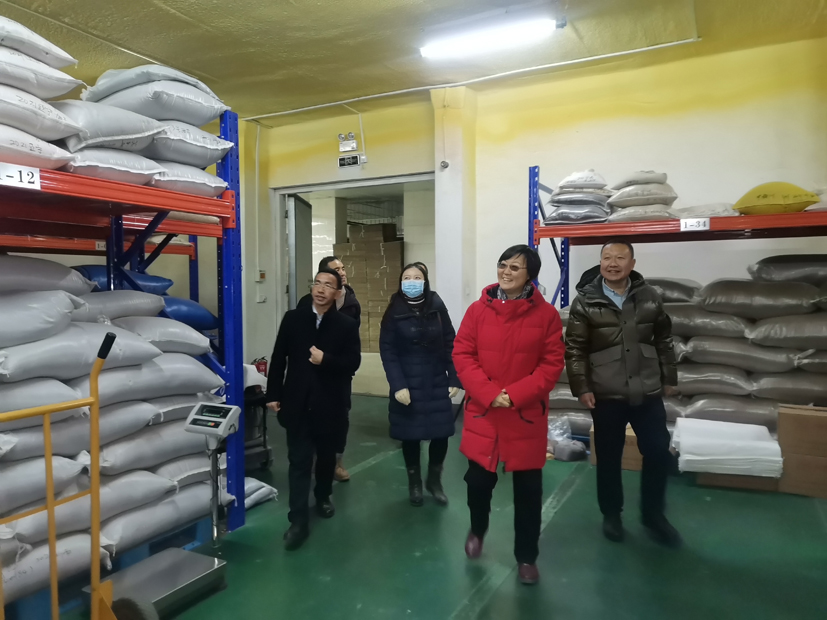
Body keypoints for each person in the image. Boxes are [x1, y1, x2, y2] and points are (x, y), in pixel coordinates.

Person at [453, 244, 565, 586]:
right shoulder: (477, 311)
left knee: (528, 492)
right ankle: (478, 529)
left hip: (524, 414)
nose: (506, 272)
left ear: (530, 274)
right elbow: (462, 354)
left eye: (515, 267)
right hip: (484, 412)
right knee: (477, 483)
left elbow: (551, 364)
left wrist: (514, 395)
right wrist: (490, 394)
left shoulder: (546, 316)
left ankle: (527, 557)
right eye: (503, 265)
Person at [565, 240, 681, 547]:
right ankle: (611, 514)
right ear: (600, 262)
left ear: (632, 264)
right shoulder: (585, 301)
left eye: (620, 258)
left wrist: (669, 377)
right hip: (606, 393)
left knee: (657, 451)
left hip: (647, 391)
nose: (612, 263)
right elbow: (574, 348)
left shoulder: (650, 296)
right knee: (608, 456)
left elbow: (664, 339)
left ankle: (653, 516)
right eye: (607, 257)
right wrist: (582, 387)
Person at [266, 268, 361, 550]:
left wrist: (326, 360)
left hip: (330, 405)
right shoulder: (293, 319)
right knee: (298, 461)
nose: (320, 289)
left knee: (326, 458)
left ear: (337, 293)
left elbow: (352, 363)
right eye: (317, 283)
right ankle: (297, 521)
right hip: (296, 403)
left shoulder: (345, 325)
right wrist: (273, 393)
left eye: (328, 285)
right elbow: (278, 357)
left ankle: (322, 495)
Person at [379, 263, 462, 507]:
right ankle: (414, 483)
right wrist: (398, 385)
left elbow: (450, 342)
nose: (412, 282)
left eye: (417, 278)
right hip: (407, 381)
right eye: (407, 277)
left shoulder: (437, 307)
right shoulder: (393, 310)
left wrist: (454, 376)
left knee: (441, 433)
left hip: (436, 379)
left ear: (425, 282)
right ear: (400, 282)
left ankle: (434, 481)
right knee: (410, 436)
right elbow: (388, 350)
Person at [298, 255, 361, 482]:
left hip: (339, 372)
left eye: (343, 268)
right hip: (312, 371)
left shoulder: (351, 302)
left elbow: (353, 344)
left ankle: (337, 462)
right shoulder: (306, 302)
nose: (342, 272)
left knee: (340, 417)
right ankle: (315, 459)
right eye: (337, 269)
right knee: (312, 415)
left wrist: (338, 363)